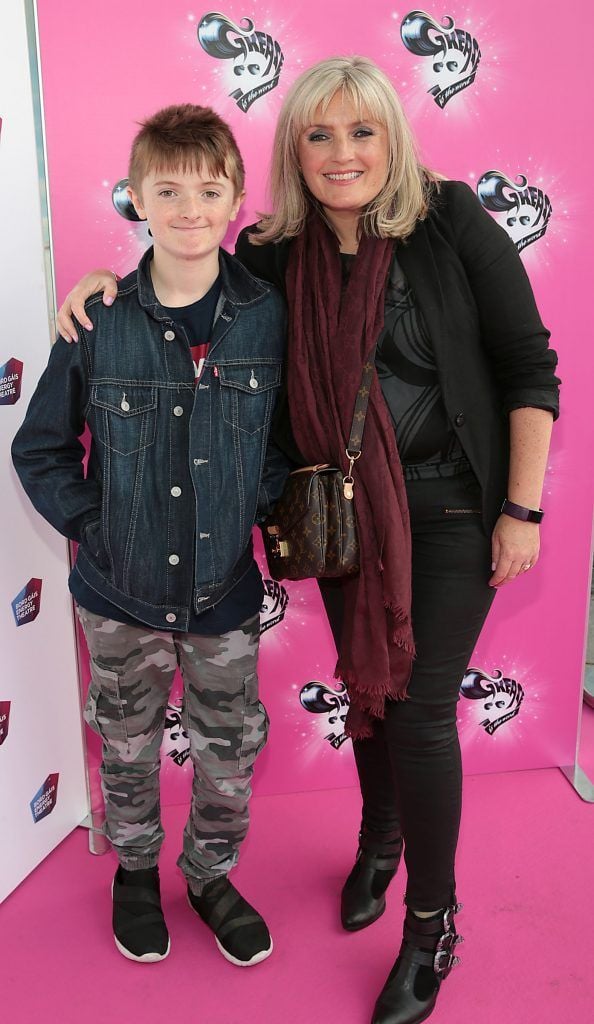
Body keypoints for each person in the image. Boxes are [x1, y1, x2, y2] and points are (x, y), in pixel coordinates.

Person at [54, 58, 559, 1024]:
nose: (342, 154)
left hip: (453, 509)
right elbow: (186, 292)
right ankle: (379, 838)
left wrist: (521, 511)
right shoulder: (276, 253)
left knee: (414, 708)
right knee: (368, 689)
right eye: (319, 136)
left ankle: (431, 926)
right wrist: (100, 292)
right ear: (292, 152)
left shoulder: (448, 219)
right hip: (337, 514)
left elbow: (529, 368)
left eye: (361, 132)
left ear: (391, 140)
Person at [12, 104, 288, 969]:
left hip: (224, 594)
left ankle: (209, 875)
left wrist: (265, 506)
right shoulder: (98, 319)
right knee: (126, 747)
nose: (189, 208)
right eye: (166, 190)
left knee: (230, 749)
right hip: (117, 594)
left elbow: (285, 444)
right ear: (136, 197)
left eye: (208, 190)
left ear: (237, 197)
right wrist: (95, 530)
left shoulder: (267, 319)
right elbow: (41, 446)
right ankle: (134, 873)